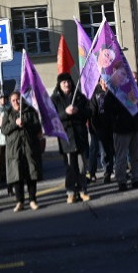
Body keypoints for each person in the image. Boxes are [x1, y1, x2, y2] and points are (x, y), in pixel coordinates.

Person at [93, 78, 138, 191]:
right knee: (121, 157)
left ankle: (136, 178)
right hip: (121, 128)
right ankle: (121, 181)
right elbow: (107, 108)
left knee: (136, 155)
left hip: (136, 125)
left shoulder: (133, 89)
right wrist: (118, 116)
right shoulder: (113, 92)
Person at [52, 73, 92, 204]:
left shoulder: (79, 97)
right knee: (70, 168)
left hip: (80, 136)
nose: (66, 84)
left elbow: (89, 112)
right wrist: (65, 113)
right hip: (66, 138)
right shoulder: (55, 100)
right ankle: (70, 192)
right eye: (63, 82)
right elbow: (52, 118)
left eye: (68, 81)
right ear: (59, 85)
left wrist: (78, 111)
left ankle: (83, 190)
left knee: (81, 167)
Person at [2, 91, 44, 210]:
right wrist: (15, 124)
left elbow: (37, 127)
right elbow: (4, 130)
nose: (16, 102)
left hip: (30, 148)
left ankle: (32, 200)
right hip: (15, 150)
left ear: (22, 100)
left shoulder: (30, 111)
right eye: (13, 100)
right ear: (10, 102)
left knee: (31, 175)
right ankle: (20, 201)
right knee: (17, 176)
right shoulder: (8, 113)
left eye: (18, 99)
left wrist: (25, 123)